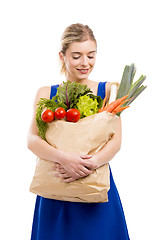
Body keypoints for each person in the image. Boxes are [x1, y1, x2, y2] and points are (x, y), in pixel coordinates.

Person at [28, 23, 130, 240]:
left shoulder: (110, 91)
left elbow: (116, 141)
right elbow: (32, 139)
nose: (85, 63)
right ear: (62, 56)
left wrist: (87, 165)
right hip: (56, 188)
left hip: (95, 187)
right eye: (76, 56)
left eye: (91, 55)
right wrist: (65, 159)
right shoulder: (46, 93)